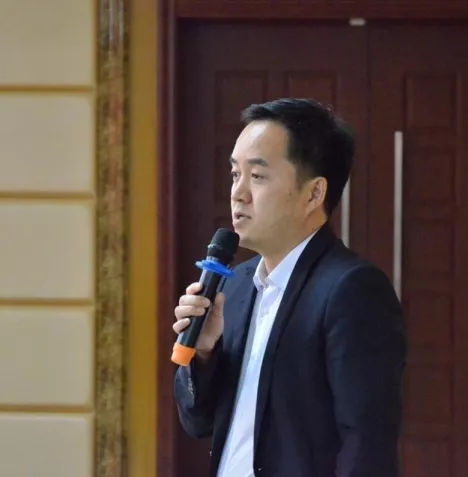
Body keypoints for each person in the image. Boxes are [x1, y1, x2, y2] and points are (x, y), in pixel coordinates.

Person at [172, 98, 407, 477]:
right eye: (235, 174)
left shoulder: (352, 290)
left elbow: (367, 442)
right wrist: (203, 354)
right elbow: (197, 422)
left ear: (313, 194)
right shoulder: (234, 287)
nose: (238, 193)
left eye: (257, 176)